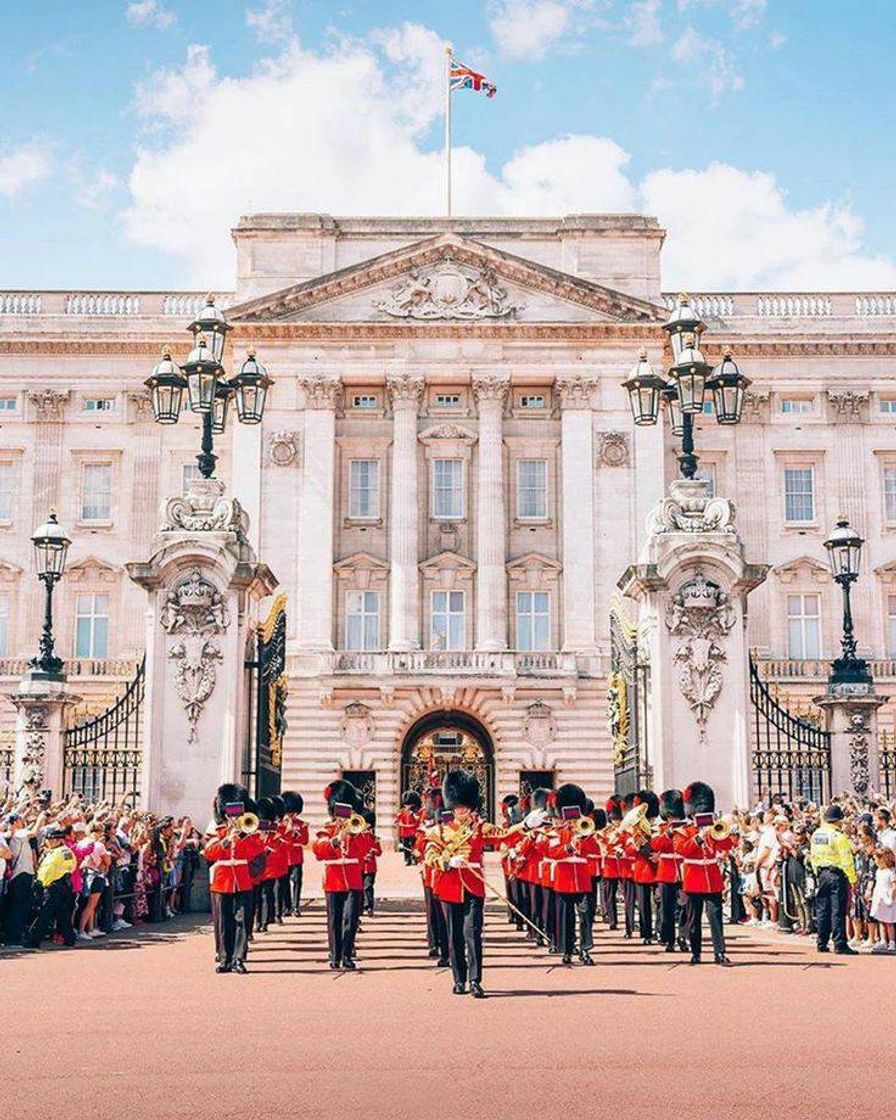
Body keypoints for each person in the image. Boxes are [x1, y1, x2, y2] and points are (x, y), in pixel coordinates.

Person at [423, 769, 517, 998]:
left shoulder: (480, 828)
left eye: (465, 806)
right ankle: (458, 979)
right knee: (454, 937)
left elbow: (504, 836)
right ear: (452, 806)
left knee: (473, 934)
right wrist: (447, 861)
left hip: (474, 886)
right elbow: (429, 856)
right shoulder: (439, 831)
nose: (462, 811)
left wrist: (525, 825)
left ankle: (475, 980)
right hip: (449, 888)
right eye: (458, 807)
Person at [203, 784, 265, 974]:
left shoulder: (248, 833)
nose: (235, 818)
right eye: (231, 814)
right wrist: (227, 840)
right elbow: (209, 853)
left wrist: (245, 837)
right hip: (222, 882)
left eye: (238, 813)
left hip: (242, 881)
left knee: (242, 921)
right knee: (223, 922)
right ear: (225, 814)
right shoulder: (218, 832)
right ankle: (224, 958)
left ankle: (238, 958)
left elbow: (257, 852)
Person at [312, 780, 374, 971]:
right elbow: (318, 850)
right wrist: (336, 840)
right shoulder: (327, 829)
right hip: (333, 880)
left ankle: (346, 954)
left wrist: (354, 832)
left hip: (354, 879)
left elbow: (365, 849)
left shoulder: (358, 829)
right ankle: (335, 954)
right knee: (334, 919)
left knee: (350, 918)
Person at [673, 781, 735, 966]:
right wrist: (699, 837)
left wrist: (720, 833)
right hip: (693, 877)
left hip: (712, 878)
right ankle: (696, 953)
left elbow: (727, 846)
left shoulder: (714, 828)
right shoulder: (683, 830)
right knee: (694, 919)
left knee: (715, 916)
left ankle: (720, 952)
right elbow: (683, 850)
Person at [545, 783, 599, 965]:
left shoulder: (586, 829)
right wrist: (569, 846)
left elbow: (594, 851)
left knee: (586, 916)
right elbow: (552, 853)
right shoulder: (557, 833)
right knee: (566, 917)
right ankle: (567, 950)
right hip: (564, 879)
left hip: (583, 880)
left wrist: (585, 837)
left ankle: (585, 949)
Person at [808, 804, 858, 956]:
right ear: (838, 820)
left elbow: (813, 855)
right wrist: (853, 879)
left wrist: (817, 871)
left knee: (822, 909)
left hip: (822, 874)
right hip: (837, 874)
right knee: (837, 910)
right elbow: (846, 859)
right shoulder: (838, 835)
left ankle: (821, 942)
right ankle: (839, 943)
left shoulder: (817, 834)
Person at [24, 827, 77, 949]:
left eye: (49, 839)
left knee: (44, 914)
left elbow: (47, 870)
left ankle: (33, 940)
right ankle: (70, 938)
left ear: (57, 840)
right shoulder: (65, 851)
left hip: (53, 886)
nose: (47, 842)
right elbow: (72, 867)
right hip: (63, 886)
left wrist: (41, 883)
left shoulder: (57, 853)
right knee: (63, 915)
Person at [651, 788, 686, 953]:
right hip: (666, 872)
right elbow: (656, 845)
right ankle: (669, 939)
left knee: (685, 906)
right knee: (667, 909)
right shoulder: (661, 828)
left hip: (684, 871)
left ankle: (684, 937)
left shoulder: (688, 827)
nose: (674, 818)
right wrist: (669, 833)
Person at [1, 811, 38, 946]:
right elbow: (34, 831)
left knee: (19, 907)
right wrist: (42, 817)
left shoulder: (15, 833)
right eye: (21, 819)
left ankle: (14, 936)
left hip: (21, 874)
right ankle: (13, 938)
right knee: (18, 908)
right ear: (15, 822)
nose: (23, 821)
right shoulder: (17, 833)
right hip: (20, 874)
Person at [281, 790, 308, 917]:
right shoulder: (281, 825)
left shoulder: (302, 824)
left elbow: (305, 841)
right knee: (284, 883)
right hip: (284, 856)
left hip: (296, 857)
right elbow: (279, 838)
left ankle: (295, 906)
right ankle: (286, 907)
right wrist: (288, 830)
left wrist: (297, 833)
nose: (291, 814)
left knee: (297, 882)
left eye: (293, 812)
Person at [869, 846, 896, 953]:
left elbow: (894, 886)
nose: (875, 862)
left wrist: (891, 898)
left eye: (876, 859)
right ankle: (883, 941)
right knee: (881, 920)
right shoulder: (878, 871)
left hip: (888, 899)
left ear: (883, 859)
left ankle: (892, 942)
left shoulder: (890, 872)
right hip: (879, 898)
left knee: (889, 922)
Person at [361, 809, 382, 916]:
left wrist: (374, 851)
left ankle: (369, 906)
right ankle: (360, 907)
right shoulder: (358, 838)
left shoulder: (374, 839)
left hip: (371, 867)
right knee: (360, 888)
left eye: (369, 827)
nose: (368, 830)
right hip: (360, 866)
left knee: (368, 887)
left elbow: (379, 852)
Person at [396, 791, 422, 865]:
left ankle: (414, 858)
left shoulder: (416, 812)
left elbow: (418, 820)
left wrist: (413, 814)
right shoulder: (402, 811)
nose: (407, 806)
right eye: (406, 804)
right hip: (405, 832)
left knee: (414, 846)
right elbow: (398, 820)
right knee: (406, 846)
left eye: (408, 804)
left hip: (413, 831)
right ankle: (407, 859)